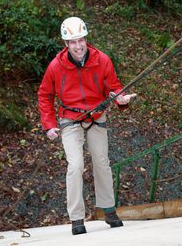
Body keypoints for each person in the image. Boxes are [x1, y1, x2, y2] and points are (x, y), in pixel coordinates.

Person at [38, 17, 136, 235]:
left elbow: (114, 87)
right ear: (66, 44)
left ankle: (109, 210)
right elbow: (45, 95)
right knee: (75, 166)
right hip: (70, 119)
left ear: (86, 39)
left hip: (96, 117)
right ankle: (76, 218)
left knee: (102, 162)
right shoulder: (56, 66)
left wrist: (120, 99)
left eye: (80, 40)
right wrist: (49, 125)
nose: (78, 45)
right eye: (72, 42)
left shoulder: (102, 60)